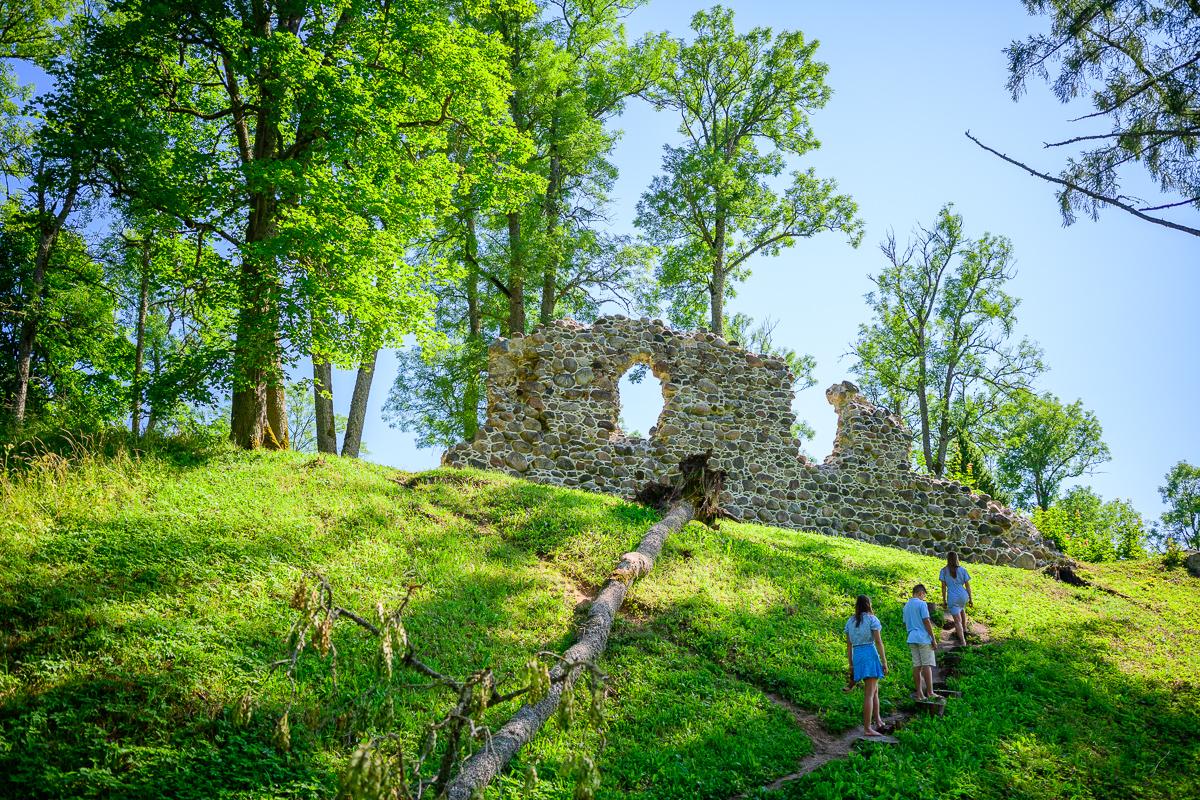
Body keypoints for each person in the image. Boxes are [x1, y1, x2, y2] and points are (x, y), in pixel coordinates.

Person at [844, 594, 888, 736]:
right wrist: (884, 661)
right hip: (870, 653)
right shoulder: (871, 619)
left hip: (858, 655)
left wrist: (851, 664)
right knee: (869, 693)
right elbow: (879, 642)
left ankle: (878, 720)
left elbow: (849, 646)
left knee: (874, 690)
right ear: (869, 605)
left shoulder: (850, 621)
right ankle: (868, 728)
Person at [903, 584, 937, 700]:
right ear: (920, 593)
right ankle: (930, 692)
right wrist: (933, 638)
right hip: (923, 638)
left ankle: (919, 693)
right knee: (927, 665)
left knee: (917, 665)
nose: (924, 597)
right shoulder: (922, 604)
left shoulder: (906, 606)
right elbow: (926, 621)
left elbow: (905, 623)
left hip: (911, 637)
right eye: (924, 595)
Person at [939, 551, 974, 647]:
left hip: (952, 597)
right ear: (957, 559)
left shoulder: (944, 571)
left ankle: (963, 642)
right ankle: (965, 629)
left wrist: (944, 601)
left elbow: (943, 587)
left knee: (957, 621)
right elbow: (967, 586)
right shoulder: (963, 570)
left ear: (948, 559)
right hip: (963, 595)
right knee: (962, 609)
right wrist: (970, 599)